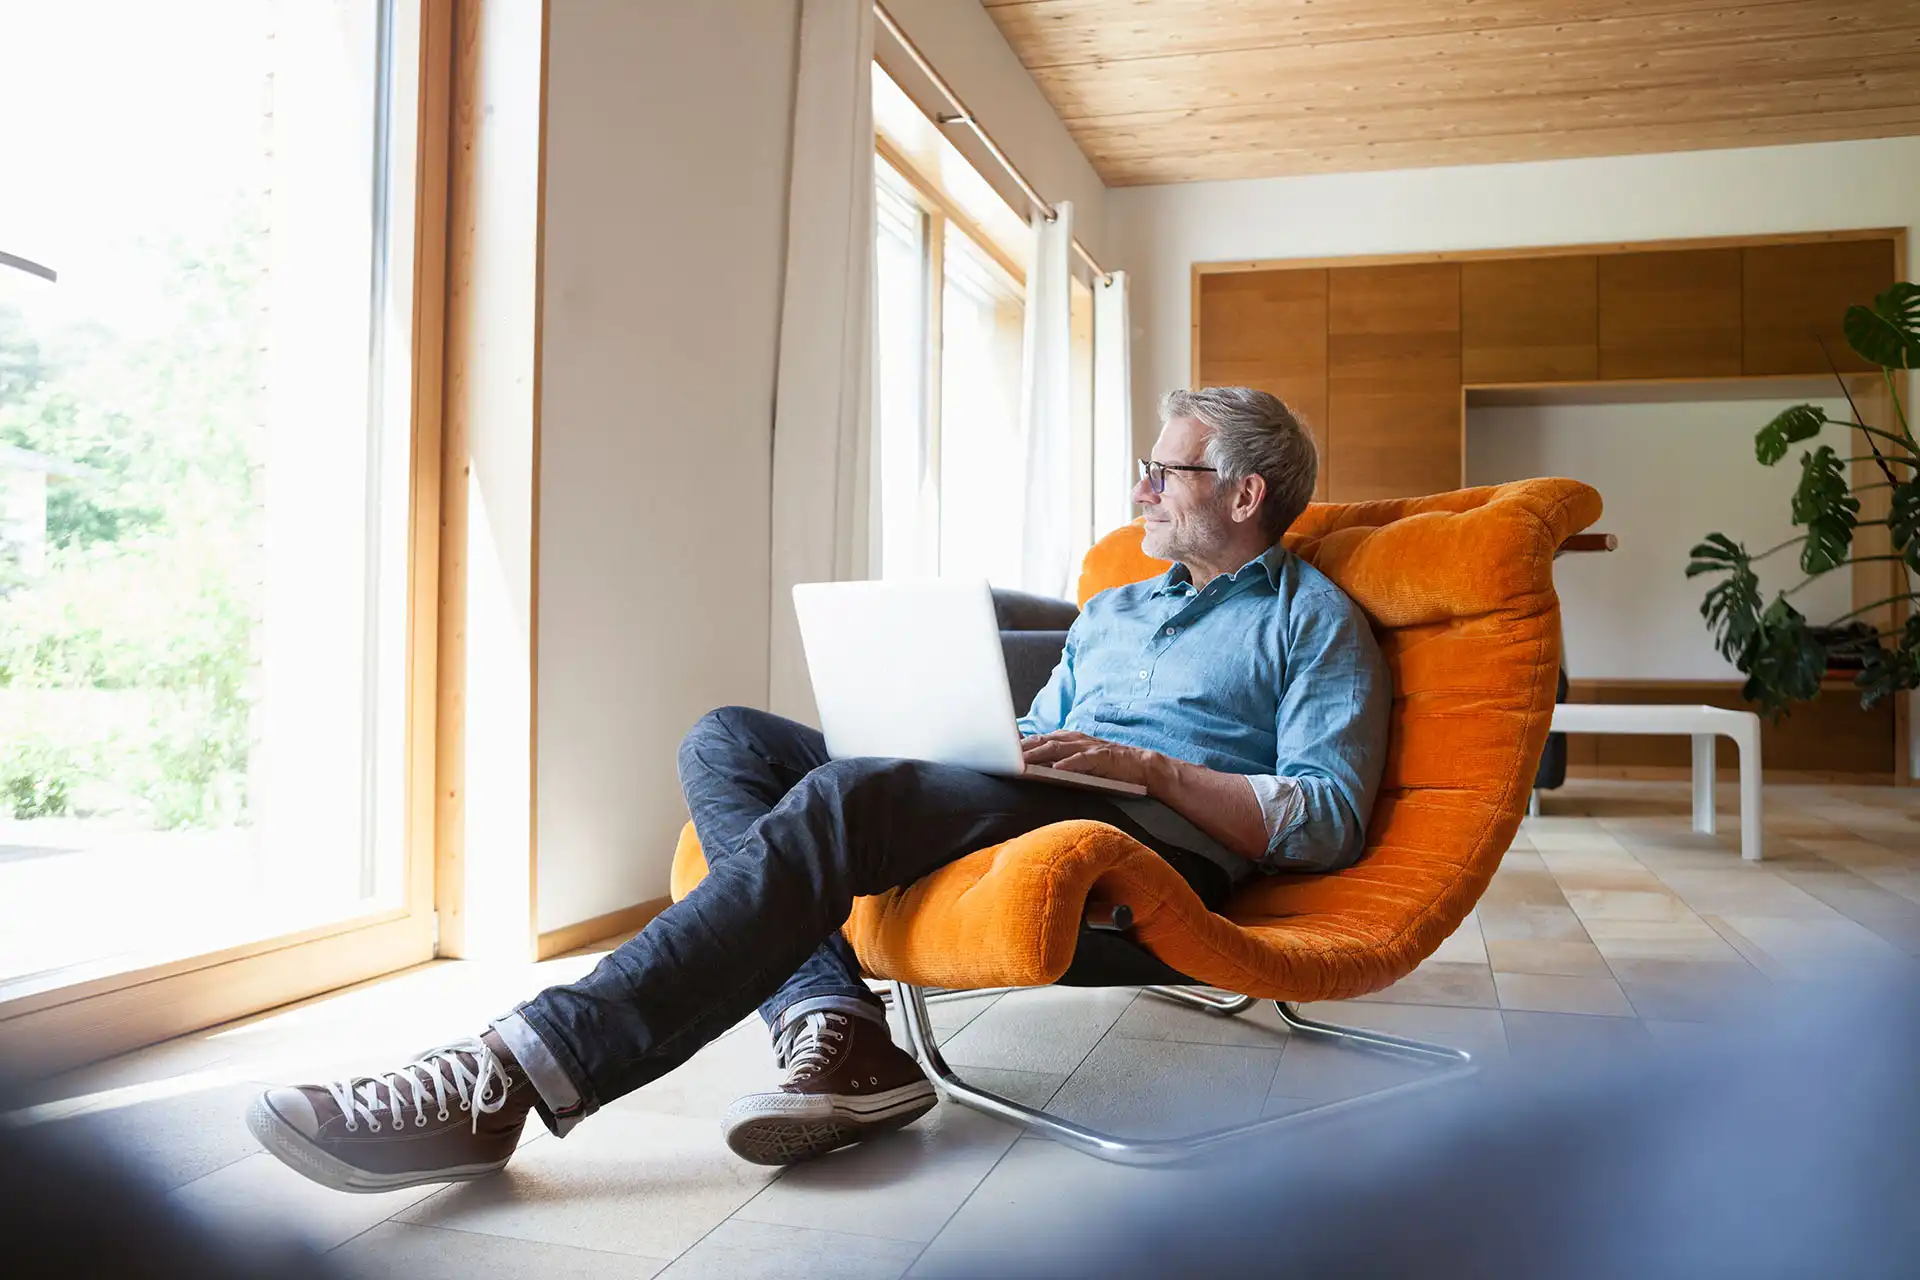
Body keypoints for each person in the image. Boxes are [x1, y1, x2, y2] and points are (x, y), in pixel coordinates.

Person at [244, 387, 1391, 1193]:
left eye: (1167, 466)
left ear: (1245, 492)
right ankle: (836, 1020)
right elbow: (1047, 728)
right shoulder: (1118, 605)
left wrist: (1151, 768)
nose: (1140, 483)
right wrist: (998, 741)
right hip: (1043, 788)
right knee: (731, 737)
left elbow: (1326, 815)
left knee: (844, 797)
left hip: (1152, 832)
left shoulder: (1312, 620)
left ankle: (509, 1076)